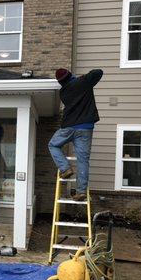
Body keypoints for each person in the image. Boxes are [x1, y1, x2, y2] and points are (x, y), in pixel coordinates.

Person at [48, 68, 103, 201]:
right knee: (83, 160)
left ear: (60, 82)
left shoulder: (63, 92)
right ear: (70, 75)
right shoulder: (83, 81)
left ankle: (65, 168)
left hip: (68, 127)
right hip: (85, 128)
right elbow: (99, 72)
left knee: (53, 145)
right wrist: (84, 77)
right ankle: (81, 191)